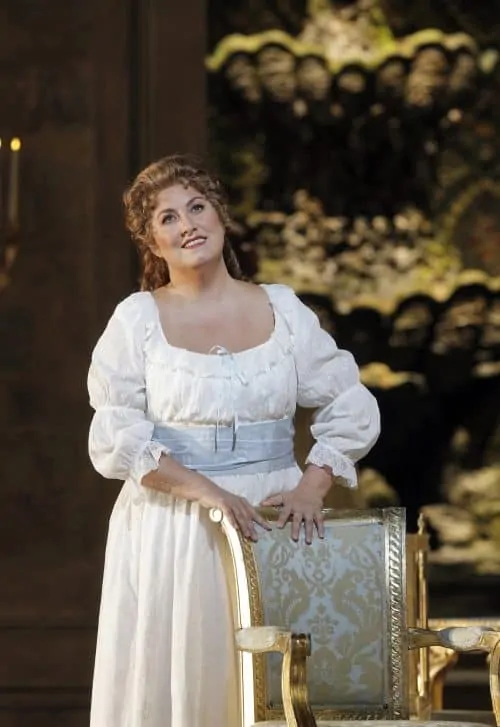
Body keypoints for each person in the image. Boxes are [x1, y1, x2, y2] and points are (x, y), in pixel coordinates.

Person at [87, 154, 380, 727]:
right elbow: (115, 432)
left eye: (197, 207)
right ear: (151, 240)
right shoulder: (136, 321)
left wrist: (312, 487)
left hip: (274, 518)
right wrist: (207, 493)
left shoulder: (282, 308)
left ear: (221, 216)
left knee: (274, 683)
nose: (187, 224)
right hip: (174, 523)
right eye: (168, 218)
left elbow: (350, 403)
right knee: (188, 674)